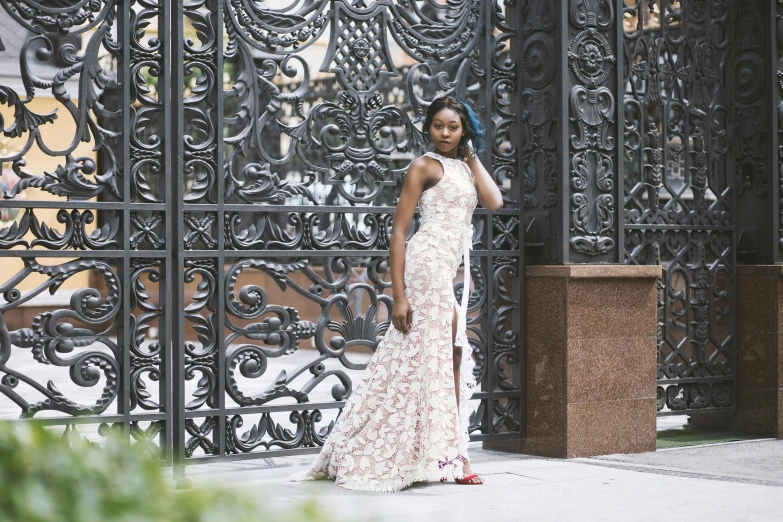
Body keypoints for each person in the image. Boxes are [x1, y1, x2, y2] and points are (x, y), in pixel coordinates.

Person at [290, 96, 504, 492]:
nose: (444, 133)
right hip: (425, 268)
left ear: (463, 130)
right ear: (428, 128)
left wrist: (471, 153)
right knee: (441, 354)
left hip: (447, 269)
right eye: (438, 125)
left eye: (453, 127)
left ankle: (445, 452)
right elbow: (400, 232)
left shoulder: (463, 166)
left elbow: (494, 200)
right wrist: (399, 296)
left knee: (447, 355)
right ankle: (452, 457)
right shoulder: (424, 166)